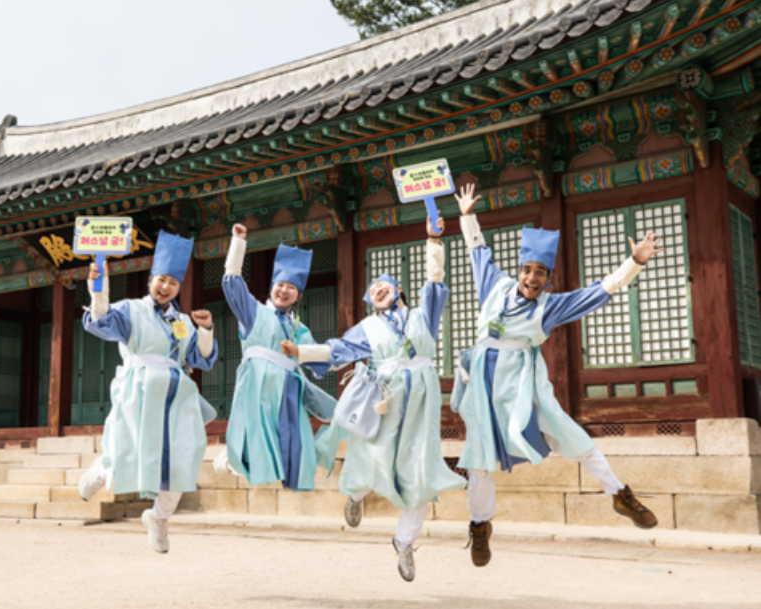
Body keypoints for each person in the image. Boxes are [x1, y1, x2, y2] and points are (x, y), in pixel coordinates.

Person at [452, 183, 662, 568]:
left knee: (569, 432)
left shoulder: (549, 307)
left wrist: (634, 262)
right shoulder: (494, 286)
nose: (532, 278)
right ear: (519, 270)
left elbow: (600, 291)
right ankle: (480, 526)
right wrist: (467, 216)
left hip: (522, 384)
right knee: (478, 459)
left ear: (547, 277)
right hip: (481, 384)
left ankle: (620, 494)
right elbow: (477, 251)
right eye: (527, 270)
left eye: (541, 273)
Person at [281, 217, 467, 582]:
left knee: (421, 472)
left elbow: (435, 280)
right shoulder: (368, 327)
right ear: (370, 302)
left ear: (399, 289)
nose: (377, 289)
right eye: (372, 289)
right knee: (373, 458)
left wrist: (433, 239)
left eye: (384, 284)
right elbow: (338, 350)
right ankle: (356, 495)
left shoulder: (424, 315)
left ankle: (405, 542)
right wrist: (300, 352)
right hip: (386, 401)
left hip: (423, 401)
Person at [77, 230, 218, 554]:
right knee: (128, 448)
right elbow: (101, 320)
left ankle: (158, 517)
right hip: (138, 390)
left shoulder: (183, 321)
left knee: (186, 453)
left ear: (179, 287)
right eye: (161, 280)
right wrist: (99, 287)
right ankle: (101, 471)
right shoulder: (131, 310)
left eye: (173, 282)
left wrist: (206, 330)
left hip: (176, 396)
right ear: (150, 280)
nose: (166, 287)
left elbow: (200, 359)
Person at [218, 224, 337, 490]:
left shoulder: (299, 329)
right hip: (257, 386)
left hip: (289, 390)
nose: (284, 290)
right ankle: (232, 458)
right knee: (255, 432)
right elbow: (233, 282)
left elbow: (320, 362)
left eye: (291, 287)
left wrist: (346, 358)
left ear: (299, 295)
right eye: (280, 285)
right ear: (272, 287)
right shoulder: (253, 312)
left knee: (294, 441)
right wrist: (238, 243)